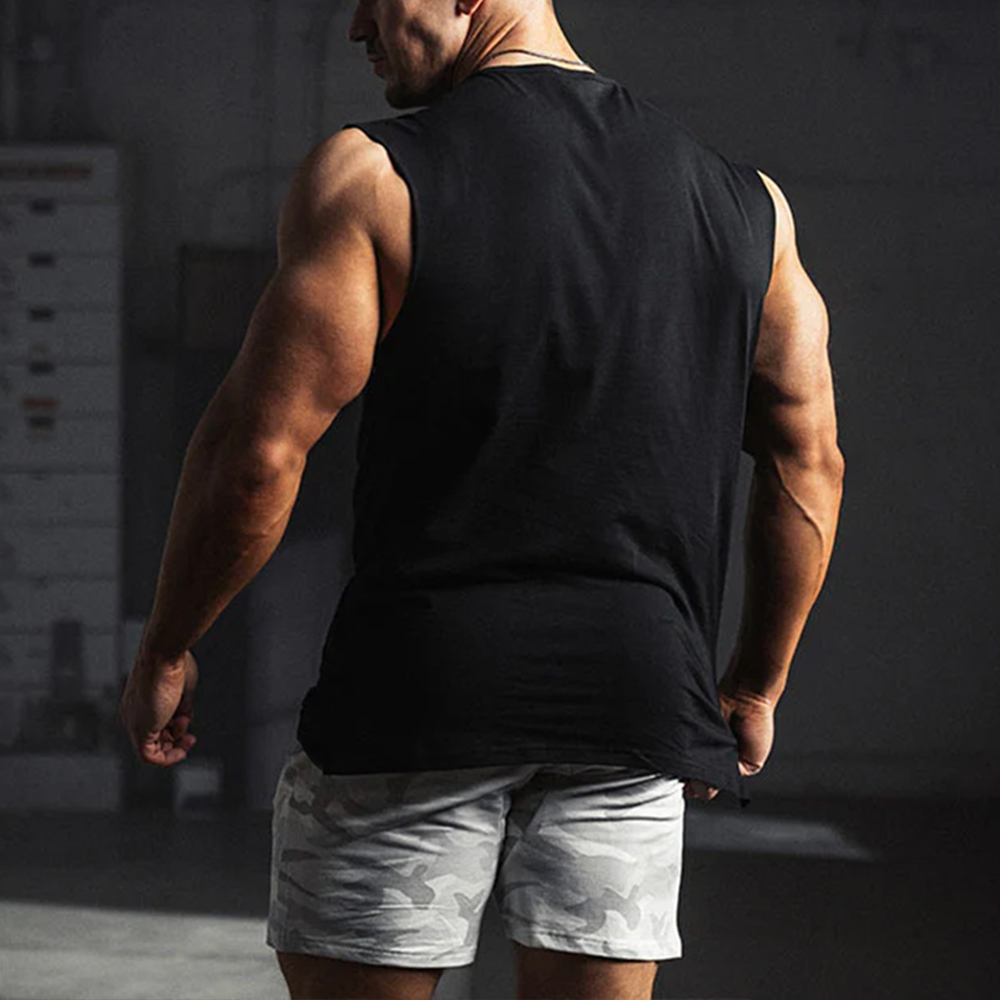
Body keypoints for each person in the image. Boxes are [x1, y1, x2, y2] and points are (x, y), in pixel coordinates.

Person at [118, 0, 845, 997]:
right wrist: (755, 686)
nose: (357, 28)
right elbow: (810, 463)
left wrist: (167, 646)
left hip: (417, 696)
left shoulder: (372, 176)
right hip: (633, 697)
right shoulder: (745, 205)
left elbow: (257, 457)